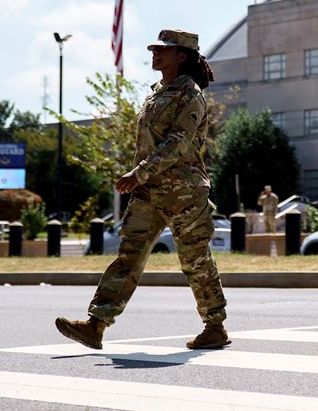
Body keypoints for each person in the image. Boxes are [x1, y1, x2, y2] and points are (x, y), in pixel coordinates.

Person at [55, 29, 229, 350]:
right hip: (149, 191)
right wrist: (142, 177)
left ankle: (214, 325)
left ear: (182, 56)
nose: (155, 53)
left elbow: (177, 143)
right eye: (154, 49)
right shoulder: (157, 93)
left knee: (195, 260)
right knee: (128, 257)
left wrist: (139, 172)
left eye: (163, 49)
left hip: (184, 194)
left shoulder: (190, 95)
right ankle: (96, 324)